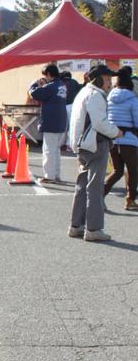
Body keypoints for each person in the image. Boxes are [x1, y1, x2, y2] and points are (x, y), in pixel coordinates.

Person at [69, 64, 121, 241]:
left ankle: (76, 225)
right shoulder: (96, 95)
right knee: (95, 188)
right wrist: (116, 132)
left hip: (83, 145)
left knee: (82, 187)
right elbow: (100, 123)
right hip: (95, 145)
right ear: (98, 80)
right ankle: (93, 228)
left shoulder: (84, 92)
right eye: (107, 79)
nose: (110, 83)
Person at [104, 67, 138, 211]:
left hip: (113, 138)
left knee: (117, 171)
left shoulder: (109, 98)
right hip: (129, 139)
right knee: (133, 170)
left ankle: (99, 195)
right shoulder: (133, 99)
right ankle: (130, 200)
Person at [28, 64, 68, 184]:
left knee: (49, 150)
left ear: (49, 74)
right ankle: (56, 175)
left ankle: (49, 176)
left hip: (51, 121)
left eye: (45, 75)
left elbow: (34, 94)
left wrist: (35, 84)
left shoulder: (50, 87)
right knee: (56, 150)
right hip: (61, 121)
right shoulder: (62, 85)